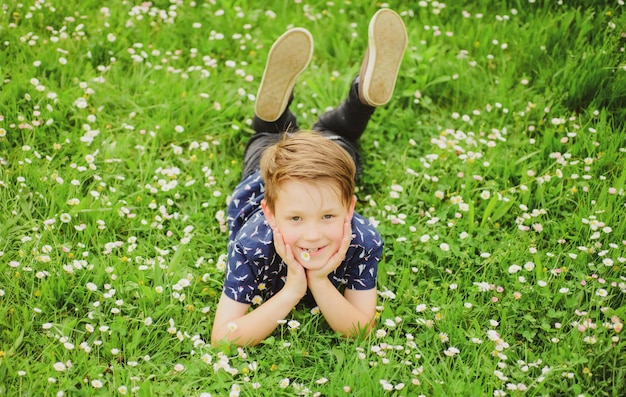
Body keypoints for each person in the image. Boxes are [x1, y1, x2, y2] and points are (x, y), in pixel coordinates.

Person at [211, 8, 407, 346]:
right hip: (265, 179)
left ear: (350, 208)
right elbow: (221, 340)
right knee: (329, 135)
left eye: (329, 216)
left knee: (280, 136)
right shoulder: (254, 242)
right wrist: (291, 291)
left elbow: (361, 331)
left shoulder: (363, 239)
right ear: (268, 214)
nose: (313, 234)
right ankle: (358, 99)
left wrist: (318, 279)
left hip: (295, 177)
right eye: (296, 219)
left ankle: (276, 112)